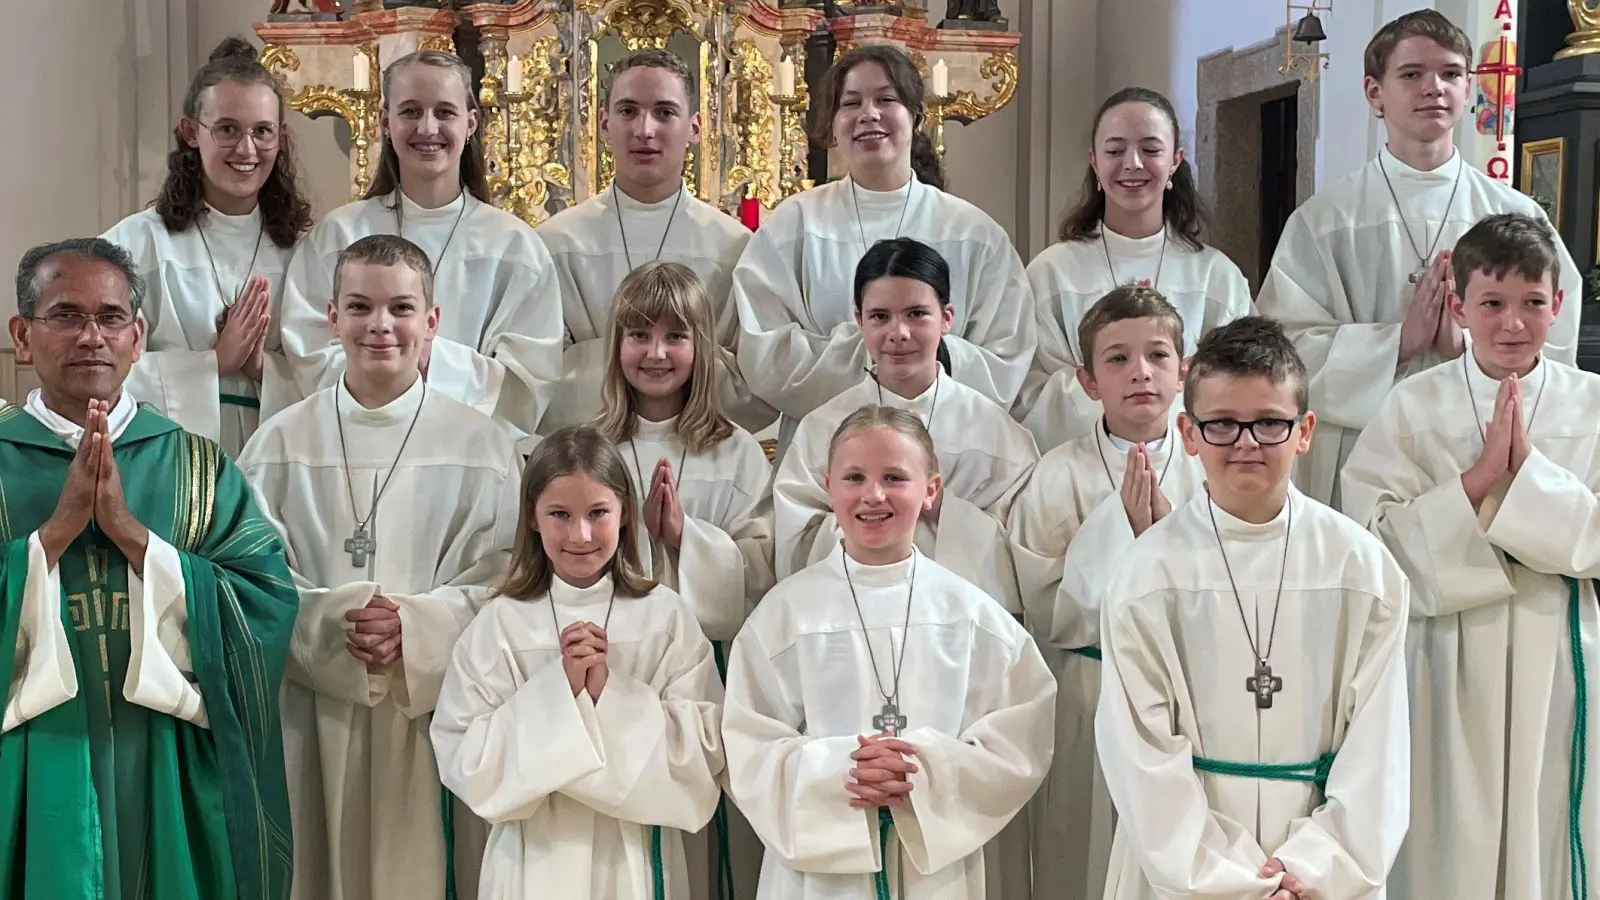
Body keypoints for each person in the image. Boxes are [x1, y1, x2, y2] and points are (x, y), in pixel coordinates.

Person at [0, 238, 297, 898]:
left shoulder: (197, 467)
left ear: (137, 338)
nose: (90, 337)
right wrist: (49, 539)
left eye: (110, 318)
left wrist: (135, 540)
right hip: (28, 761)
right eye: (65, 315)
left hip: (163, 755)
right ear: (23, 335)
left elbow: (266, 602)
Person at [238, 235, 520, 900]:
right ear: (331, 319)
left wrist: (417, 629)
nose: (381, 326)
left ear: (432, 322)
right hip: (309, 715)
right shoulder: (279, 442)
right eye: (360, 307)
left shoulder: (481, 444)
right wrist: (331, 624)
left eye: (401, 308)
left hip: (435, 715)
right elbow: (249, 577)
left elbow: (507, 579)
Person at [1096, 316, 1410, 899]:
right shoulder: (1147, 573)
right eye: (1222, 424)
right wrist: (1234, 884)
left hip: (1324, 877)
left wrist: (1314, 872)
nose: (1245, 442)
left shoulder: (1361, 569)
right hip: (1184, 873)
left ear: (1305, 430)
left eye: (1269, 422)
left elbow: (1379, 752)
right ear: (1189, 433)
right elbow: (1141, 758)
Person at [1341, 213, 1600, 900]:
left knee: (1548, 828)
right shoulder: (1410, 404)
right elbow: (1371, 538)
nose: (1513, 323)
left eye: (1532, 304)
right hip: (1446, 653)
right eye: (1492, 303)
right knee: (1450, 836)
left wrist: (1532, 484)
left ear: (1559, 306)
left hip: (1559, 644)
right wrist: (1478, 482)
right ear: (1459, 305)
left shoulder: (1593, 404)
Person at [722, 405, 1055, 900]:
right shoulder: (785, 616)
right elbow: (748, 746)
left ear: (931, 490)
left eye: (895, 477)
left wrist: (925, 770)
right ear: (826, 485)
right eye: (854, 477)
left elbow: (1020, 736)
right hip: (819, 876)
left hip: (934, 870)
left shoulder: (971, 613)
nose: (873, 495)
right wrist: (845, 770)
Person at [1255, 9, 1581, 508]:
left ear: (1469, 88)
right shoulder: (1325, 220)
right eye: (1412, 74)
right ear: (1374, 92)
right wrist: (1396, 345)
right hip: (1363, 449)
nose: (1435, 87)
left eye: (1450, 74)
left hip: (1480, 439)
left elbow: (1556, 342)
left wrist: (1477, 349)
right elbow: (1283, 352)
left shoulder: (1513, 212)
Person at [430, 426, 724, 899]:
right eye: (560, 514)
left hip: (632, 856)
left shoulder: (664, 615)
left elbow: (706, 751)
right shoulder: (500, 622)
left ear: (625, 513)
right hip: (530, 860)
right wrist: (561, 690)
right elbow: (464, 756)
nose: (580, 534)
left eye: (598, 513)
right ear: (531, 517)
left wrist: (608, 693)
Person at [731, 44, 1034, 454]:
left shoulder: (974, 233)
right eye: (850, 103)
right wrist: (888, 351)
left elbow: (1005, 362)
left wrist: (916, 352)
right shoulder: (794, 226)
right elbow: (765, 357)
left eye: (886, 99)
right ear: (833, 124)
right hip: (825, 453)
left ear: (917, 116)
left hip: (947, 451)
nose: (868, 114)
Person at [1007, 285, 1206, 900]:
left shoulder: (1212, 463)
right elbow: (1044, 607)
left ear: (1185, 372)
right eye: (1116, 359)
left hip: (1191, 688)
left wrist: (1166, 550)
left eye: (1157, 356)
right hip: (1090, 687)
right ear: (1088, 381)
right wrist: (1121, 538)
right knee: (1082, 848)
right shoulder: (1057, 474)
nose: (1140, 372)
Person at [591, 260, 773, 900]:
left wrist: (685, 541)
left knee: (707, 850)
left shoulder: (737, 452)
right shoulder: (589, 448)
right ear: (617, 346)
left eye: (676, 336)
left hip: (708, 675)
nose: (657, 352)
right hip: (615, 665)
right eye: (639, 335)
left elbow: (761, 572)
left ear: (703, 346)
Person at [278, 49, 561, 443]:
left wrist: (428, 358)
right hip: (358, 444)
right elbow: (309, 354)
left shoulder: (513, 246)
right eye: (410, 111)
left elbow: (528, 385)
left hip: (472, 453)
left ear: (471, 123)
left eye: (445, 112)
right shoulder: (339, 236)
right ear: (385, 122)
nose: (427, 128)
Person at [771, 238, 1036, 614]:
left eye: (916, 314)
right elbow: (795, 548)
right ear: (859, 320)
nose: (899, 333)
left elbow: (1021, 557)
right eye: (880, 316)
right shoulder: (822, 428)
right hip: (850, 619)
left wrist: (940, 506)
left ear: (946, 319)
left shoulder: (994, 431)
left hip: (957, 624)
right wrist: (877, 515)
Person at [539, 48, 774, 435]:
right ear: (604, 122)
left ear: (694, 128)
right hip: (588, 452)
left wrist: (609, 357)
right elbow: (537, 381)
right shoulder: (555, 244)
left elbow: (755, 384)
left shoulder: (735, 248)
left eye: (664, 113)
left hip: (701, 449)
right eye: (628, 111)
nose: (644, 130)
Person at [102, 36, 314, 456]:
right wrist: (214, 364)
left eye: (262, 131)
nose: (247, 149)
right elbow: (98, 369)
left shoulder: (304, 252)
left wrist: (260, 368)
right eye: (227, 130)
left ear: (281, 137)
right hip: (167, 460)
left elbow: (330, 377)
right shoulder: (134, 246)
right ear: (191, 133)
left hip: (276, 463)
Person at [1013, 87, 1251, 454]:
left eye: (1151, 150)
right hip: (1081, 469)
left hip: (1190, 470)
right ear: (1094, 161)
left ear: (1175, 160)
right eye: (1115, 150)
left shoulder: (1215, 276)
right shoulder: (1052, 272)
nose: (1133, 163)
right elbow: (1027, 390)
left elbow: (1242, 382)